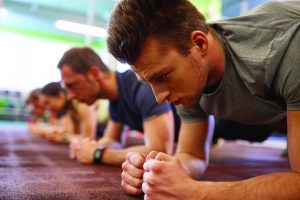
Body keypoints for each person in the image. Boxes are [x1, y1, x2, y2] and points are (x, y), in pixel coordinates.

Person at [106, 0, 300, 199]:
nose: (159, 98)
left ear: (199, 43)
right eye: (149, 82)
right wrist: (156, 172)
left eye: (162, 76)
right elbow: (193, 155)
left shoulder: (286, 47)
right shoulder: (191, 76)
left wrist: (197, 192)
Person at [57, 47, 177, 166]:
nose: (70, 96)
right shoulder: (115, 98)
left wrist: (99, 154)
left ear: (94, 74)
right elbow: (112, 140)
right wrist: (87, 147)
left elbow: (159, 152)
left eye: (72, 85)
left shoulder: (142, 85)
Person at [30, 82, 97, 143]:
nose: (47, 109)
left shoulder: (82, 104)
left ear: (60, 96)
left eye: (47, 103)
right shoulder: (67, 109)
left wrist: (63, 139)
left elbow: (88, 139)